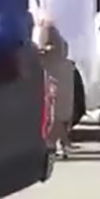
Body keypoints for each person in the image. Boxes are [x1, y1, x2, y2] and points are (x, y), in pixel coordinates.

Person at [36, 16, 74, 159]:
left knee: (55, 113)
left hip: (56, 78)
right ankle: (62, 143)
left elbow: (47, 51)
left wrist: (39, 51)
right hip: (60, 77)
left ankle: (56, 144)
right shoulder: (58, 35)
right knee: (59, 113)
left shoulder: (49, 30)